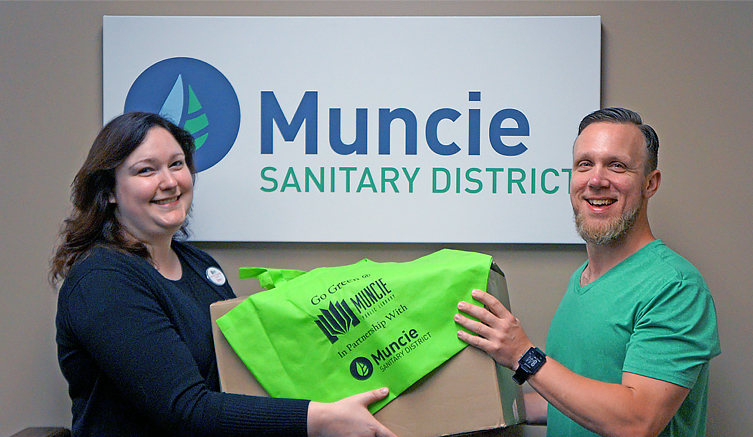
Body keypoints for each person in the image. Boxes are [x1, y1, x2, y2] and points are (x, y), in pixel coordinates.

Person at [50, 112, 397, 437]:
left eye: (177, 164)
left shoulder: (200, 265)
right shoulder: (102, 281)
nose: (169, 182)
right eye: (146, 171)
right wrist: (321, 419)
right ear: (109, 190)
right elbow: (185, 410)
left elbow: (241, 369)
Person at [454, 107, 720, 437]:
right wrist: (460, 409)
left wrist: (523, 355)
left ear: (650, 184)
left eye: (617, 165)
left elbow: (637, 421)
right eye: (584, 164)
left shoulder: (675, 287)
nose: (596, 180)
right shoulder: (582, 278)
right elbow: (572, 403)